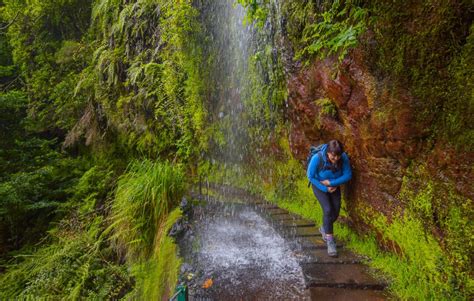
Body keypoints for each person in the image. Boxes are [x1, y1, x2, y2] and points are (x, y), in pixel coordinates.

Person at [306, 140, 352, 257]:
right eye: (333, 156)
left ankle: (324, 228)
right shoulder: (317, 158)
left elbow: (348, 175)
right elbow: (310, 176)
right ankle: (330, 241)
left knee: (335, 213)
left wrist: (332, 183)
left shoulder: (343, 158)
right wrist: (325, 188)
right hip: (319, 186)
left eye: (338, 156)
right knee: (327, 210)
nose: (335, 158)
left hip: (334, 186)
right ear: (328, 152)